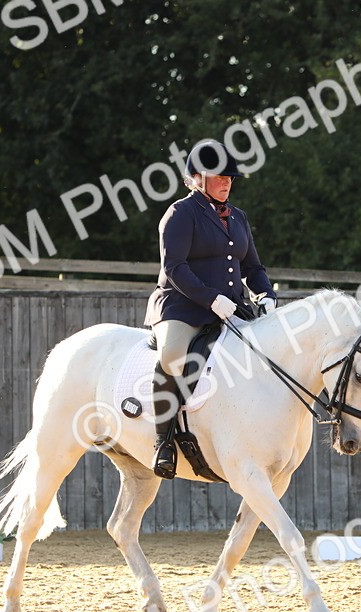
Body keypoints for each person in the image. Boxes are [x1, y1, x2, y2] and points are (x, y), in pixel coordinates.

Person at [143, 140, 278, 479]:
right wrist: (210, 299)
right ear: (197, 178)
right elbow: (174, 267)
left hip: (232, 306)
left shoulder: (238, 218)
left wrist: (266, 294)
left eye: (230, 178)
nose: (226, 183)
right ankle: (163, 442)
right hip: (182, 306)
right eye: (219, 177)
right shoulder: (180, 213)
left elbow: (253, 267)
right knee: (173, 355)